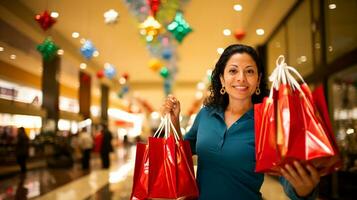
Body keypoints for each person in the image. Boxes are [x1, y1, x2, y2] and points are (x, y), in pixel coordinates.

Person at [162, 44, 320, 200]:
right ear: (222, 79)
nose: (241, 78)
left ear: (258, 80)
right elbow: (180, 154)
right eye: (233, 70)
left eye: (249, 71)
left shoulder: (267, 123)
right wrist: (174, 122)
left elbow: (287, 176)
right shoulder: (206, 114)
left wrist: (302, 191)